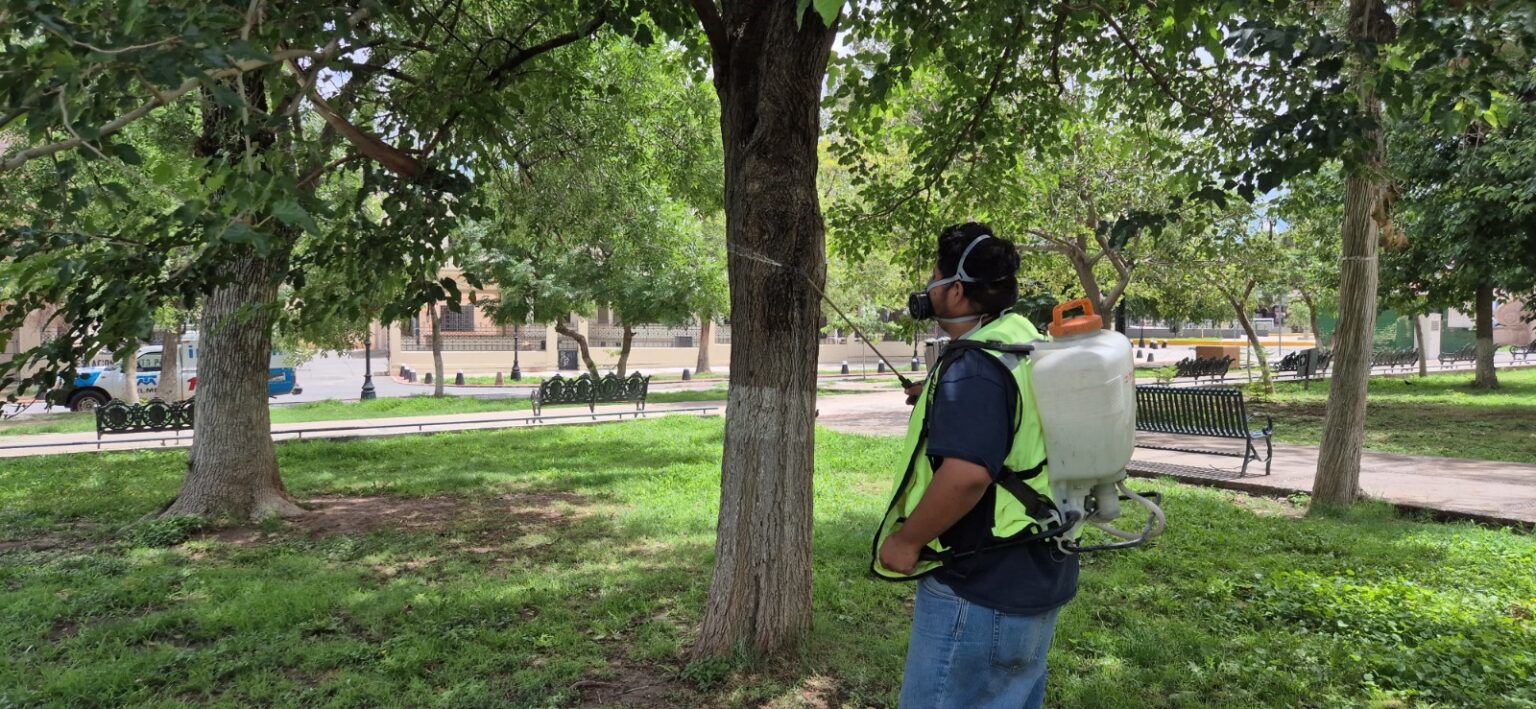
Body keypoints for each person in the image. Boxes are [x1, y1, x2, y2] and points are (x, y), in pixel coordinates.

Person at [872, 222, 1077, 709]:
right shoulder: (1019, 341)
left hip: (979, 588)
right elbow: (1013, 416)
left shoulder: (977, 368)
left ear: (957, 291)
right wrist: (943, 396)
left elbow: (966, 477)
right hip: (1036, 571)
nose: (929, 286)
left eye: (935, 275)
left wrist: (907, 541)